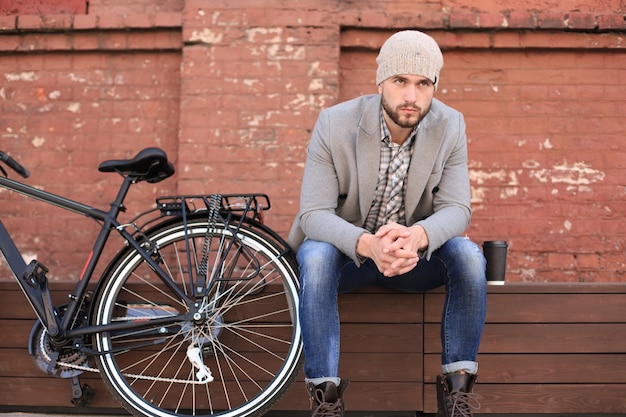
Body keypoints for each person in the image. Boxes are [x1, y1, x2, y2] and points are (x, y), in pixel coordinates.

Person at [288, 30, 487, 417]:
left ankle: (457, 393)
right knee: (314, 254)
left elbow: (457, 207)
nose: (411, 96)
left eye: (423, 84)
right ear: (381, 81)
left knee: (467, 254)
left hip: (414, 262)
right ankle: (325, 400)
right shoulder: (335, 123)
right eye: (400, 81)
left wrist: (418, 236)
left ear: (434, 87)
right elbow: (313, 214)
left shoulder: (451, 125)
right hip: (347, 263)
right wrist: (369, 245)